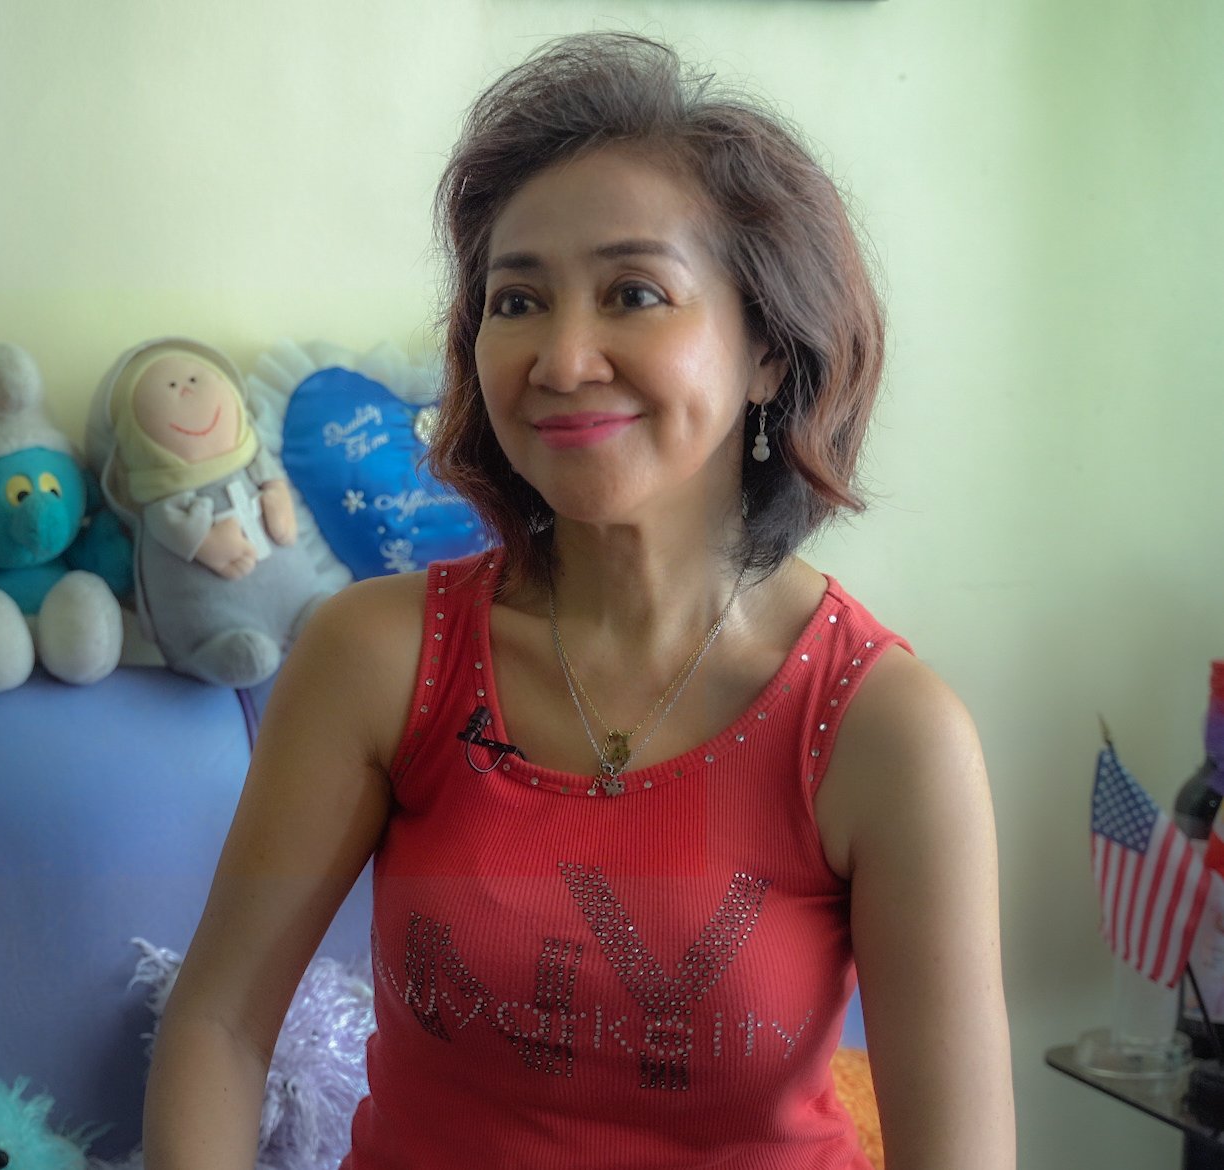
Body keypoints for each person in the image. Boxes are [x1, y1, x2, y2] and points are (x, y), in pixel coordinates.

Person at [141, 31, 1014, 1170]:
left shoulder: (882, 730)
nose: (560, 359)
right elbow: (217, 1023)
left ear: (766, 347)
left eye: (633, 293)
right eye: (517, 300)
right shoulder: (379, 657)